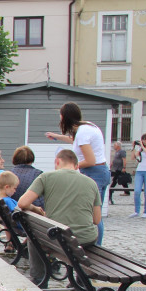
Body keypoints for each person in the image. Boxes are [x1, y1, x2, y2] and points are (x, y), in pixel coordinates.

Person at [45, 102, 110, 243]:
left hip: (94, 173)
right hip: (100, 171)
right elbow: (74, 140)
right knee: (94, 212)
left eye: (61, 116)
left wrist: (70, 167)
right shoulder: (87, 127)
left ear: (65, 117)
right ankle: (96, 244)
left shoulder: (82, 133)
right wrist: (56, 136)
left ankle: (96, 247)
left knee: (94, 215)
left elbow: (90, 160)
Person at [18, 149, 102, 246]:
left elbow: (22, 203)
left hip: (57, 236)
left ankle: (38, 262)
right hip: (86, 239)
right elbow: (96, 220)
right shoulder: (92, 183)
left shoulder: (45, 177)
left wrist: (34, 208)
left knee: (33, 238)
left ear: (57, 161)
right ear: (77, 166)